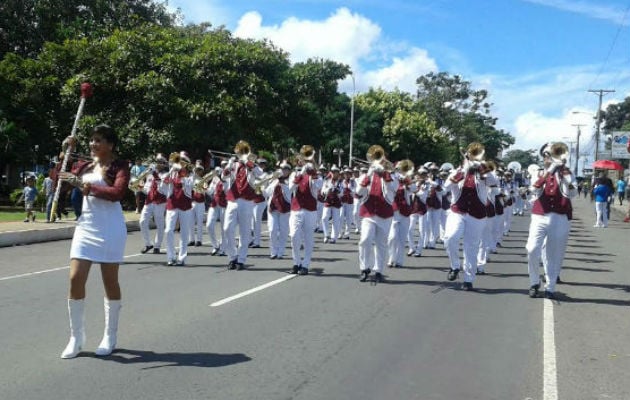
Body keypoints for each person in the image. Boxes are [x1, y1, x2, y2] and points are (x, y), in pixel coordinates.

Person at [58, 124, 131, 358]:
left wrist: (86, 186)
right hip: (86, 225)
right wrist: (64, 153)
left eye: (98, 140)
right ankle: (76, 337)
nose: (93, 144)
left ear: (110, 144)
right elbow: (58, 177)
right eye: (91, 140)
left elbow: (117, 193)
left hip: (110, 226)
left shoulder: (120, 166)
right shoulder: (84, 165)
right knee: (75, 277)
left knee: (110, 282)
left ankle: (110, 335)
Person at [525, 142, 577, 299]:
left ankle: (550, 286)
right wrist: (549, 172)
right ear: (543, 158)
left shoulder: (567, 173)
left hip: (560, 216)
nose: (551, 159)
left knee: (554, 254)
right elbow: (534, 189)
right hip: (539, 215)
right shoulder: (539, 172)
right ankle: (534, 282)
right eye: (548, 156)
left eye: (554, 155)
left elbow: (573, 194)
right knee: (532, 249)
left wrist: (565, 177)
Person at [443, 143, 489, 291]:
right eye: (471, 155)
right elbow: (445, 187)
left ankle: (469, 279)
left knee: (471, 247)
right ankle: (455, 266)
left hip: (477, 215)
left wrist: (481, 167)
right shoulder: (457, 172)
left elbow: (494, 181)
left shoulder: (483, 172)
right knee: (450, 237)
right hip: (458, 211)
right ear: (466, 157)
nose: (472, 158)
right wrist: (461, 172)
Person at [356, 148, 397, 282]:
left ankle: (378, 270)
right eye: (377, 158)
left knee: (381, 244)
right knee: (365, 240)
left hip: (385, 214)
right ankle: (364, 268)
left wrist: (384, 174)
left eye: (382, 159)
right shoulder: (366, 175)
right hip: (368, 213)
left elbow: (394, 188)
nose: (379, 161)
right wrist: (368, 175)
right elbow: (358, 192)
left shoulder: (392, 176)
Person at [222, 141, 264, 270]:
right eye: (240, 151)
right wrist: (228, 165)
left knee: (244, 231)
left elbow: (260, 173)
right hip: (232, 200)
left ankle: (241, 259)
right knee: (227, 229)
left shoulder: (251, 166)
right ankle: (232, 256)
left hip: (246, 201)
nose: (241, 153)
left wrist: (247, 161)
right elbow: (224, 177)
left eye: (243, 151)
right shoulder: (233, 165)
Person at [288, 145, 322, 275]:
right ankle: (296, 262)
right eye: (303, 159)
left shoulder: (315, 176)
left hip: (310, 210)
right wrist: (301, 174)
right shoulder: (294, 174)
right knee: (294, 236)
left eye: (308, 160)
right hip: (296, 209)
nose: (305, 162)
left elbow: (319, 186)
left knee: (308, 238)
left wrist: (312, 174)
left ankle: (305, 264)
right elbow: (289, 189)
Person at [162, 151, 194, 266]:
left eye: (182, 161)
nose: (179, 163)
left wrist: (182, 174)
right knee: (168, 230)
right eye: (179, 160)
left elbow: (190, 185)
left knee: (184, 232)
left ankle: (182, 257)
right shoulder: (173, 173)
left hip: (185, 205)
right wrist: (171, 171)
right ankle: (171, 257)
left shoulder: (190, 174)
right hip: (172, 204)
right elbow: (163, 184)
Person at [139, 153, 168, 254]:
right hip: (149, 200)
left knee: (159, 224)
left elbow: (162, 189)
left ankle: (157, 245)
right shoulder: (150, 174)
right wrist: (140, 188)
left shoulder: (166, 175)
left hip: (160, 202)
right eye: (157, 162)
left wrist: (155, 174)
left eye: (160, 162)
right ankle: (148, 244)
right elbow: (147, 189)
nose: (158, 164)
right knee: (142, 221)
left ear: (164, 164)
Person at [264, 162, 292, 259]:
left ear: (289, 171)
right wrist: (266, 184)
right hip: (273, 208)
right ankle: (273, 251)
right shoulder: (274, 180)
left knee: (284, 231)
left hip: (285, 208)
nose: (283, 171)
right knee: (272, 230)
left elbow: (289, 194)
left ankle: (281, 251)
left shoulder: (291, 181)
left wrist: (282, 183)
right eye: (282, 169)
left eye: (285, 169)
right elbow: (266, 193)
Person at [321, 165, 342, 243]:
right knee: (324, 217)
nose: (334, 173)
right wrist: (327, 191)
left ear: (338, 173)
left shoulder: (340, 182)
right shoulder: (326, 180)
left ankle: (334, 238)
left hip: (336, 203)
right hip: (328, 201)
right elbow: (322, 191)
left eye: (336, 172)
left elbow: (342, 193)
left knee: (336, 221)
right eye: (333, 172)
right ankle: (326, 235)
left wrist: (338, 191)